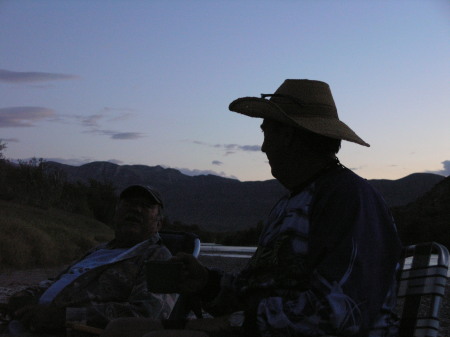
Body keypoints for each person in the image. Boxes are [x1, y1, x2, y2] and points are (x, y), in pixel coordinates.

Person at [102, 79, 402, 337]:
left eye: (266, 133)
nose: (263, 147)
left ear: (289, 136)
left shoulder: (348, 197)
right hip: (256, 328)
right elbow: (256, 289)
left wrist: (232, 323)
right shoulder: (290, 203)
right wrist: (206, 283)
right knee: (120, 329)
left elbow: (344, 313)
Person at [6, 184, 177, 336]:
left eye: (146, 206)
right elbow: (58, 281)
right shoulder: (99, 250)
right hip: (29, 321)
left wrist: (63, 316)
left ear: (158, 224)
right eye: (129, 204)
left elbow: (147, 316)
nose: (136, 209)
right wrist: (27, 296)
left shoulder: (159, 257)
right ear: (116, 213)